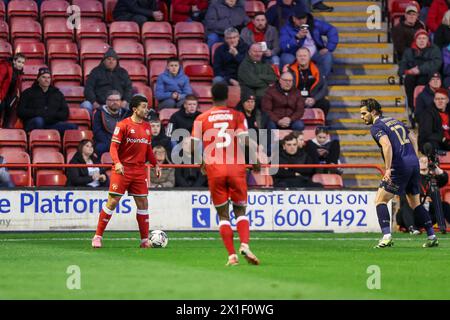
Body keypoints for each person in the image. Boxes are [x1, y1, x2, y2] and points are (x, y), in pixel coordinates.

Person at [192, 82, 260, 266]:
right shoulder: (237, 115)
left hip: (215, 170)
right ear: (227, 97)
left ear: (211, 97)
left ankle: (231, 256)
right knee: (241, 211)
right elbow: (245, 140)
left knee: (223, 215)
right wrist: (254, 160)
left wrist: (201, 161)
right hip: (236, 168)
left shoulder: (201, 118)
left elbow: (191, 145)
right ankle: (244, 244)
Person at [359, 98, 438, 248]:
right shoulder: (394, 120)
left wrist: (388, 168)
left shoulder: (376, 127)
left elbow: (387, 146)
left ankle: (387, 236)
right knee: (415, 203)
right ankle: (432, 236)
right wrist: (413, 157)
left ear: (373, 112)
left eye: (364, 113)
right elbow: (413, 136)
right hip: (413, 164)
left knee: (380, 200)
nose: (362, 117)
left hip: (399, 166)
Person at [92, 95, 161, 249]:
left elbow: (148, 149)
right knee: (112, 202)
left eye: (147, 106)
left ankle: (144, 241)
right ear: (135, 109)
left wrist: (155, 164)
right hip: (122, 169)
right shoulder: (122, 125)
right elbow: (113, 147)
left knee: (143, 203)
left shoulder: (147, 127)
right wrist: (117, 163)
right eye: (143, 106)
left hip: (139, 170)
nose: (146, 109)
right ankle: (97, 236)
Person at [396, 155, 450, 234]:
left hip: (429, 214)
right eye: (421, 161)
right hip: (414, 214)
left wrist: (437, 169)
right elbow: (404, 196)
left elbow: (445, 179)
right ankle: (412, 228)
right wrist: (419, 200)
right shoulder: (411, 177)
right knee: (405, 205)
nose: (424, 163)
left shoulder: (433, 178)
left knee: (445, 205)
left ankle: (442, 227)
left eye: (426, 161)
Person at [279, 6, 338, 77]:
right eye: (299, 19)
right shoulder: (286, 28)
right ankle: (294, 81)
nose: (302, 21)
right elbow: (284, 46)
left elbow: (332, 30)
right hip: (295, 54)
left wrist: (328, 47)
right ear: (293, 19)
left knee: (327, 56)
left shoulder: (314, 24)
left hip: (314, 53)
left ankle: (321, 80)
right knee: (286, 58)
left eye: (303, 18)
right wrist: (296, 38)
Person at [17, 67, 77, 135]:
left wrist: (52, 115)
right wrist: (38, 113)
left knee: (73, 127)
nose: (46, 80)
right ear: (38, 79)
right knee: (39, 121)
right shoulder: (27, 93)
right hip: (34, 123)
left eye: (48, 78)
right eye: (44, 77)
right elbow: (20, 111)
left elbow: (65, 112)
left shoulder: (57, 93)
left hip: (52, 123)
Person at [398, 29, 442, 113]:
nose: (422, 41)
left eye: (424, 38)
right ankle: (412, 107)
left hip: (427, 75)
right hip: (413, 77)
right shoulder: (409, 51)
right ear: (415, 40)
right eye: (419, 38)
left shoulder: (434, 49)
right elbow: (403, 63)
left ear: (427, 40)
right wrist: (402, 72)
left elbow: (436, 63)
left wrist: (419, 69)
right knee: (408, 79)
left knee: (434, 78)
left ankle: (432, 106)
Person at [82, 48, 132, 117]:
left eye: (114, 59)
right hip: (100, 104)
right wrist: (94, 102)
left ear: (117, 61)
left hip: (120, 104)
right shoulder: (95, 72)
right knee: (86, 104)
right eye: (108, 59)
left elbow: (129, 88)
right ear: (104, 61)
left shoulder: (123, 72)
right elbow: (88, 89)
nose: (111, 62)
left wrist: (125, 101)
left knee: (138, 101)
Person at [287, 47, 330, 117]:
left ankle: (321, 125)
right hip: (297, 99)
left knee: (325, 103)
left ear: (309, 57)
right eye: (300, 56)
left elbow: (324, 88)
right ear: (296, 57)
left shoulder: (318, 69)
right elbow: (288, 89)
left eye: (305, 56)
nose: (302, 58)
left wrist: (314, 99)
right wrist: (303, 100)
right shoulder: (290, 70)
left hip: (313, 98)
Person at [92, 90, 129, 157]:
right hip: (106, 142)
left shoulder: (126, 113)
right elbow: (97, 131)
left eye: (117, 100)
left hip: (123, 141)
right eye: (112, 100)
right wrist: (112, 142)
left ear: (120, 101)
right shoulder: (99, 113)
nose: (115, 102)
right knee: (100, 148)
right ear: (106, 102)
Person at [0, 53, 25, 128]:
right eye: (19, 62)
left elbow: (17, 84)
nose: (21, 64)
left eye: (23, 63)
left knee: (9, 111)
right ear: (14, 61)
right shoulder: (5, 67)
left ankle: (5, 131)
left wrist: (17, 93)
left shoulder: (18, 72)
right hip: (2, 94)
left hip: (10, 96)